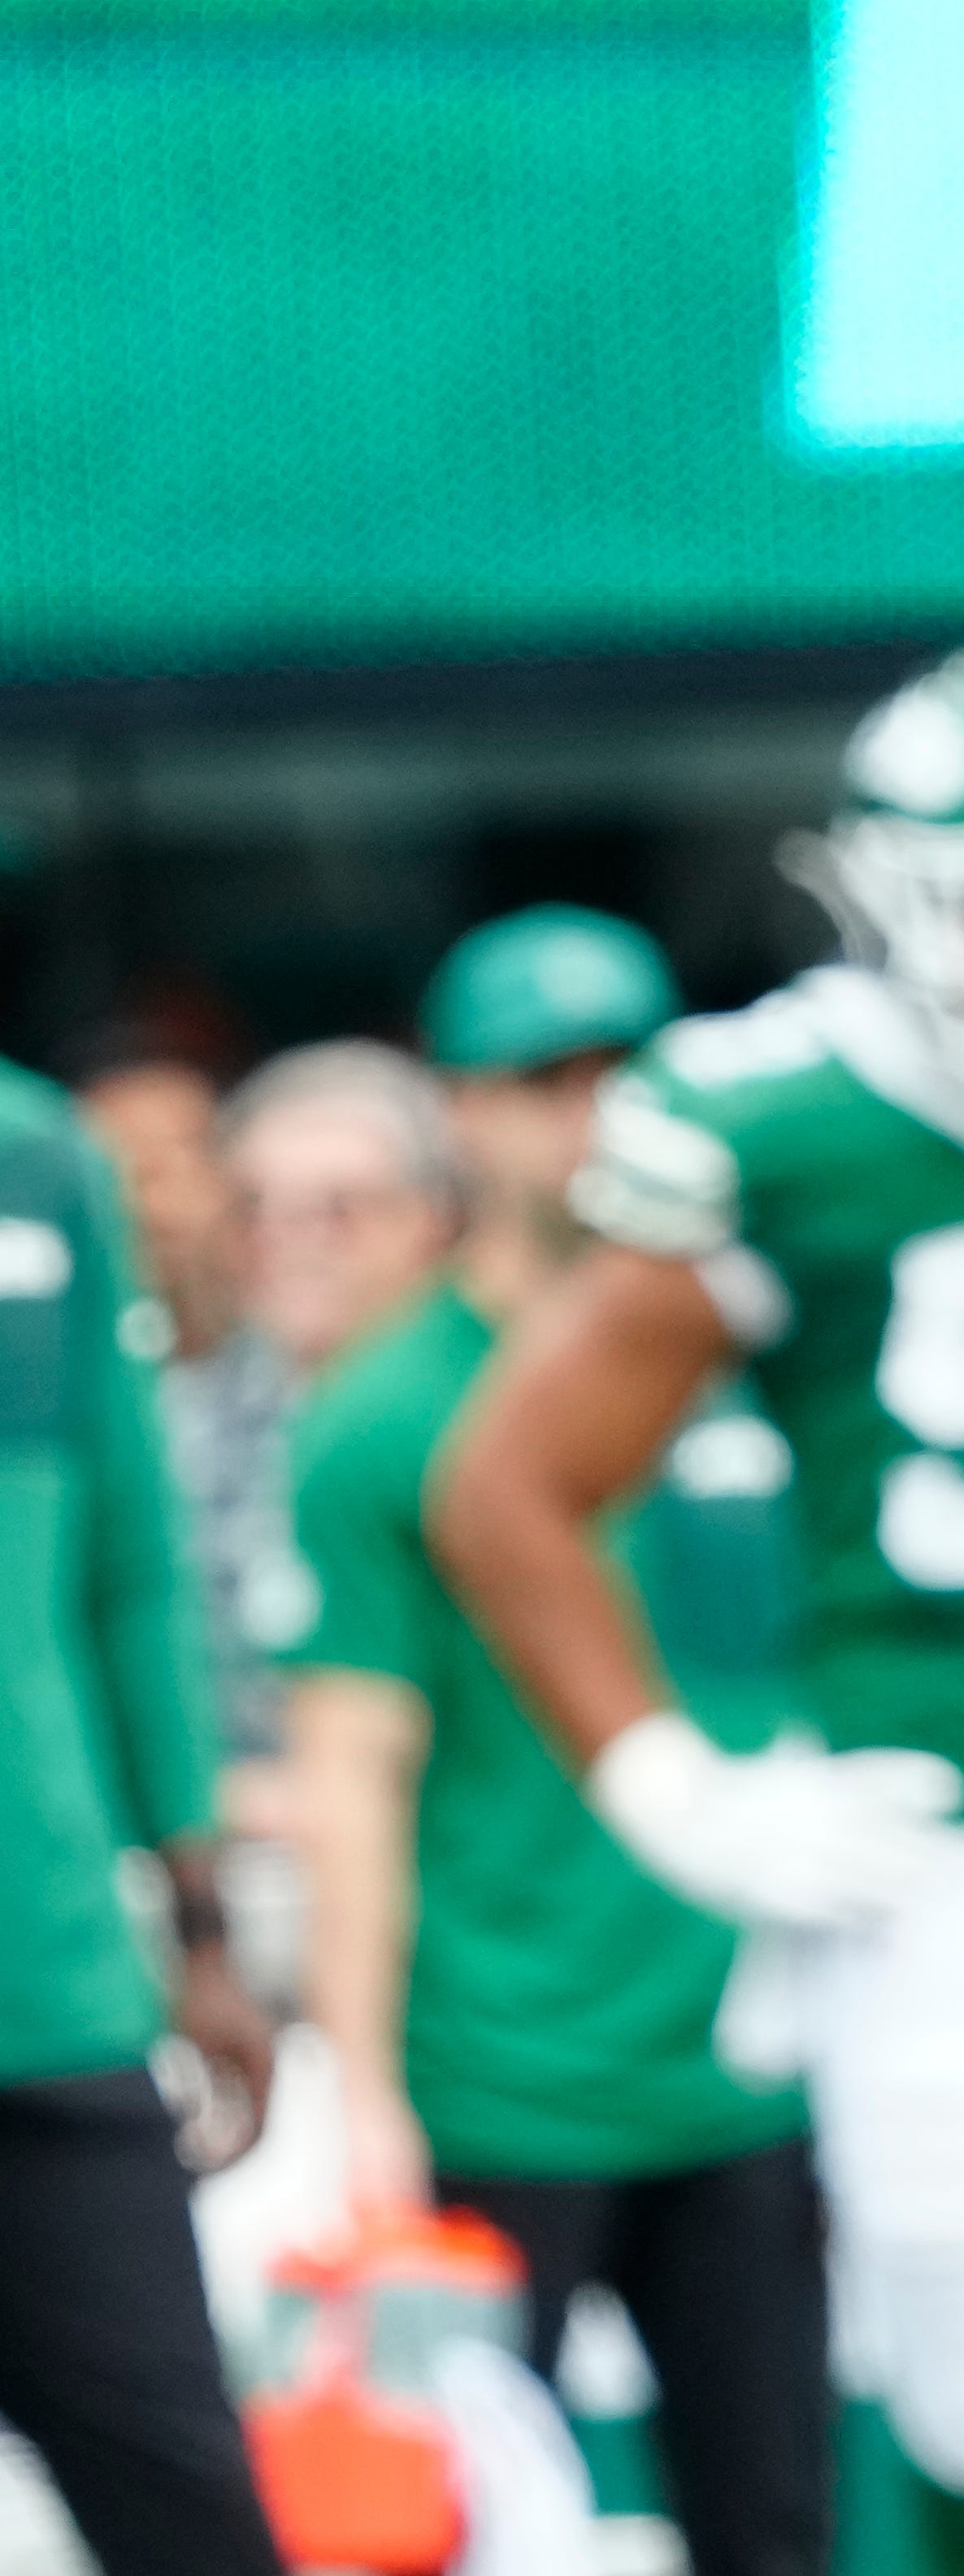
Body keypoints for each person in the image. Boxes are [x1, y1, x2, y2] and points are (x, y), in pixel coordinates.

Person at [432, 651, 964, 2576]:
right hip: (937, 1860)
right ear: (886, 894)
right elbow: (503, 1489)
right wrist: (677, 1794)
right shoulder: (777, 1114)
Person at [272, 908, 828, 2576]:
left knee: (779, 2526)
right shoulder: (379, 1410)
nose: (582, 1115)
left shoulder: (753, 1349)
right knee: (459, 2538)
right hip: (500, 2076)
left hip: (750, 2051)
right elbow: (347, 1773)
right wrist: (360, 2087)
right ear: (462, 1109)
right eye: (537, 1080)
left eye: (616, 1071)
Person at [0, 1053, 282, 2575]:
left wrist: (203, 1929)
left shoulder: (38, 1152)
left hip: (44, 1985)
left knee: (191, 2513)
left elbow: (133, 1572)